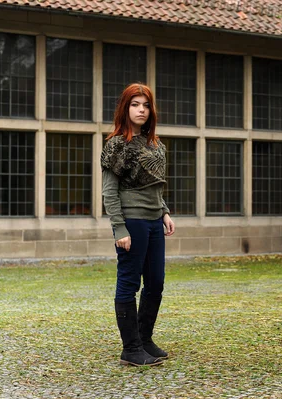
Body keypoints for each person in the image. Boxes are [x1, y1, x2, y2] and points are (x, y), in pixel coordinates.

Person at [101, 83, 175, 367]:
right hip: (131, 221)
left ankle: (145, 339)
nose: (141, 109)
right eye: (135, 104)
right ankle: (130, 348)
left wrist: (165, 212)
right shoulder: (117, 145)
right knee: (129, 282)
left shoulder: (156, 145)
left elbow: (155, 186)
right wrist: (119, 228)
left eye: (145, 105)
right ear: (125, 107)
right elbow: (110, 190)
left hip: (155, 221)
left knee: (156, 282)